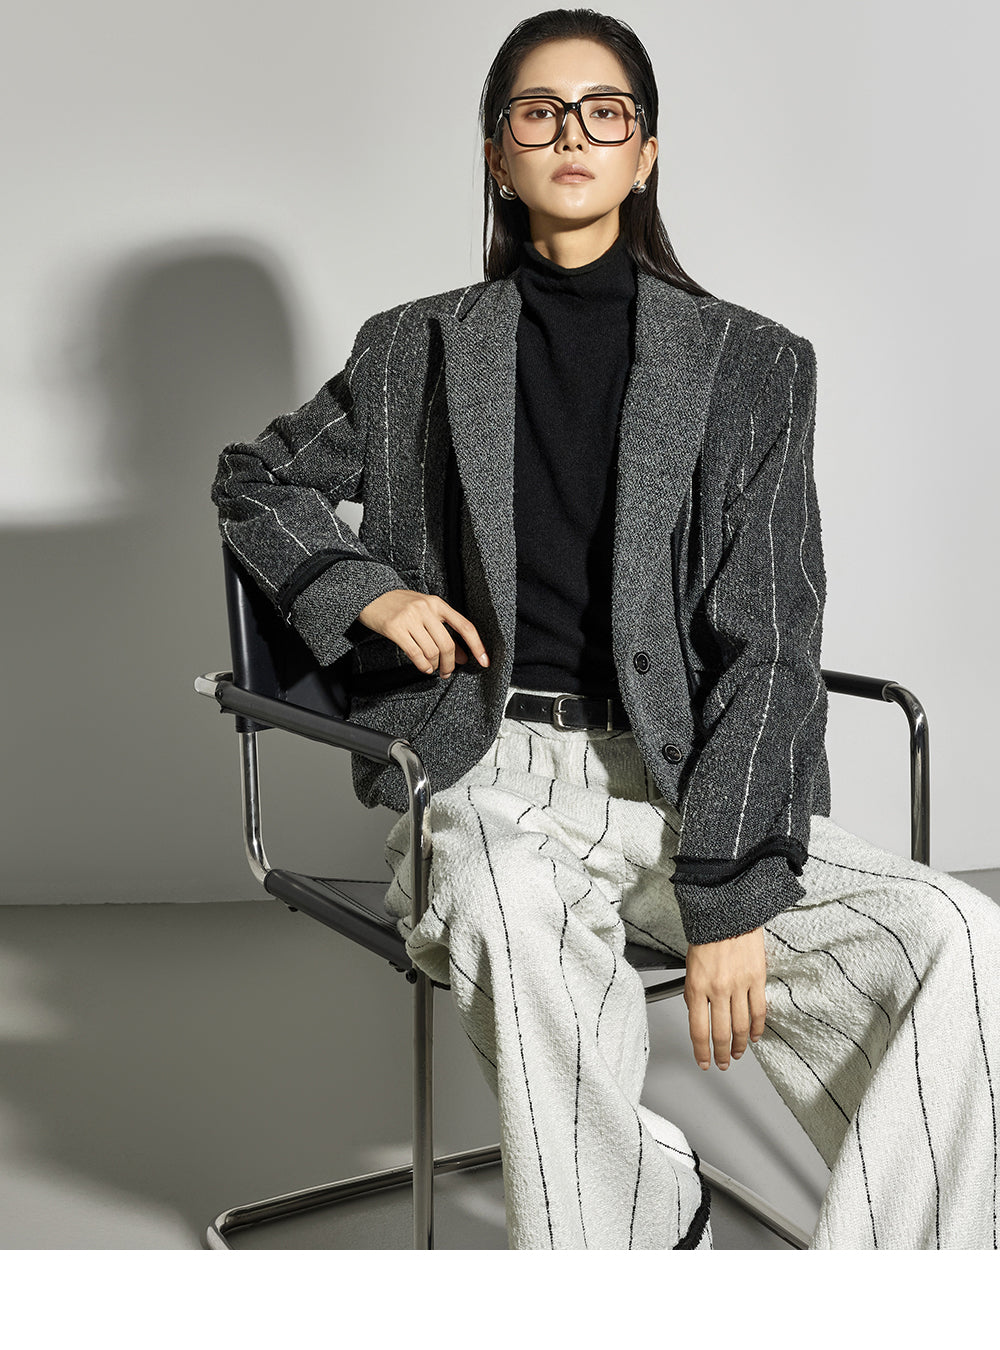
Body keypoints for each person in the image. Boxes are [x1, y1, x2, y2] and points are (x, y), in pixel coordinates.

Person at [212, 8, 1000, 1250]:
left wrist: (726, 893)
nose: (572, 135)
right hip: (483, 777)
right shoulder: (414, 347)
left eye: (604, 112)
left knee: (953, 933)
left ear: (644, 152)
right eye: (539, 113)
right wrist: (366, 589)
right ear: (497, 153)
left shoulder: (752, 366)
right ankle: (630, 1228)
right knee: (498, 897)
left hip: (683, 785)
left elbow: (771, 641)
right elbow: (256, 481)